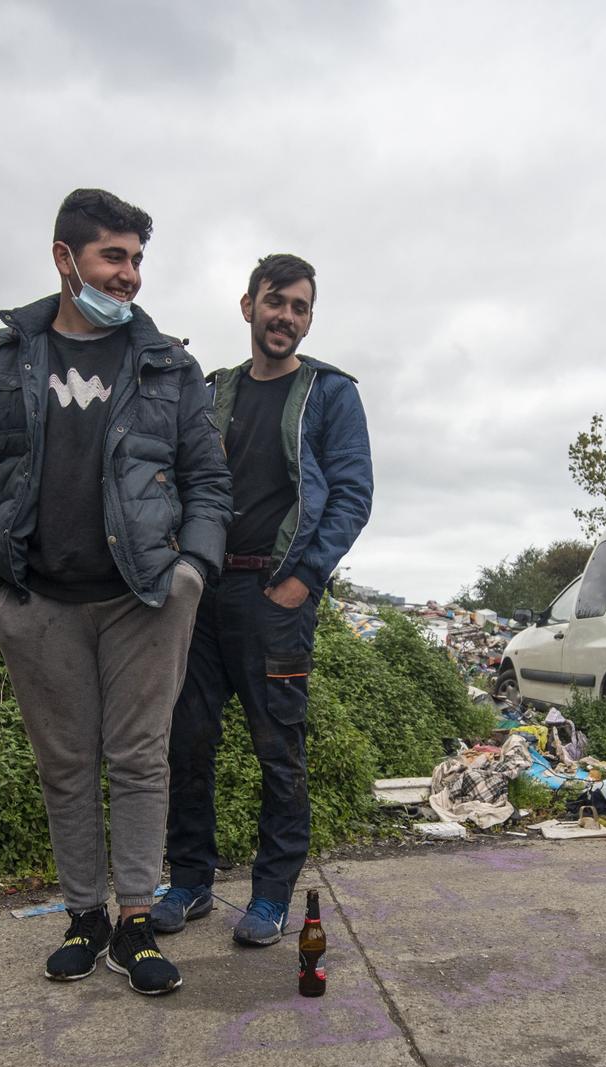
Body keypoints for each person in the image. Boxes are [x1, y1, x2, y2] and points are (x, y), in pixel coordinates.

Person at [0, 189, 229, 996]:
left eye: (138, 258)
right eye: (115, 256)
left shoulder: (169, 365)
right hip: (38, 598)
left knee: (141, 760)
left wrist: (191, 574)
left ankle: (135, 921)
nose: (131, 274)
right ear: (64, 258)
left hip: (144, 595)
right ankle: (85, 916)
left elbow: (207, 480)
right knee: (65, 765)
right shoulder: (5, 359)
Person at [154, 254, 373, 946]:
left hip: (274, 596)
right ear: (248, 306)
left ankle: (272, 894)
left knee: (277, 746)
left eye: (300, 307)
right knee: (185, 739)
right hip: (204, 591)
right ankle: (189, 879)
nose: (287, 317)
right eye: (276, 302)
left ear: (309, 318)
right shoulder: (214, 391)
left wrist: (302, 580)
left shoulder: (331, 395)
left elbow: (351, 495)